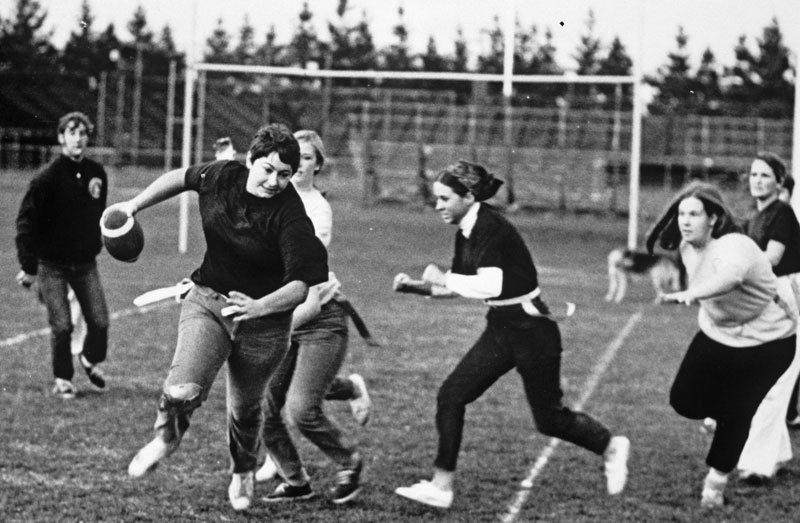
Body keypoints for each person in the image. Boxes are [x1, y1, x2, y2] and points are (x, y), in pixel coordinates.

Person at [105, 123, 328, 512]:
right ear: (249, 161)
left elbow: (300, 287)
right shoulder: (222, 176)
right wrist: (134, 205)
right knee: (180, 391)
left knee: (245, 410)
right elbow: (181, 177)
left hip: (266, 322)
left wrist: (259, 307)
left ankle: (242, 470)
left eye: (285, 175)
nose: (275, 181)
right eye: (267, 169)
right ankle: (167, 438)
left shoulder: (292, 216)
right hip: (209, 300)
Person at [392, 160, 630, 509]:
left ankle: (611, 446)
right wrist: (418, 288)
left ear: (469, 196)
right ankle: (441, 486)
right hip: (501, 328)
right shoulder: (467, 231)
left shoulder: (491, 227)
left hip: (533, 332)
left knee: (549, 420)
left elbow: (491, 283)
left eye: (444, 198)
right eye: (437, 199)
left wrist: (442, 277)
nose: (438, 206)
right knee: (451, 396)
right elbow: (464, 286)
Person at [646, 181, 797, 508]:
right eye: (681, 213)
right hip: (720, 332)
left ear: (713, 218)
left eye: (695, 214)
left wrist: (691, 293)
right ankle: (729, 413)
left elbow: (731, 276)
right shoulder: (687, 248)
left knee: (738, 413)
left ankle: (714, 485)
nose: (685, 221)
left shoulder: (734, 245)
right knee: (682, 400)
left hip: (768, 340)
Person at [256, 130, 370, 504]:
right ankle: (295, 480)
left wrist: (270, 325)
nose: (299, 165)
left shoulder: (317, 209)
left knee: (301, 410)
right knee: (261, 407)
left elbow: (304, 279)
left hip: (318, 315)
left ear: (317, 165)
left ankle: (348, 461)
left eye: (307, 158)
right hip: (281, 310)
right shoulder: (272, 192)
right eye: (294, 158)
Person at [15, 111, 110, 399]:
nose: (78, 138)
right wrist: (29, 266)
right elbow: (25, 222)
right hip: (51, 265)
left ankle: (89, 359)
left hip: (84, 263)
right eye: (72, 133)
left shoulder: (97, 173)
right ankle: (63, 379)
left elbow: (98, 215)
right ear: (61, 138)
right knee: (62, 325)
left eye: (82, 133)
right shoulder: (47, 178)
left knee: (100, 321)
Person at [735, 153, 800, 483]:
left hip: (788, 296)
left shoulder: (782, 213)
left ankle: (758, 464)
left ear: (778, 181)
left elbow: (770, 259)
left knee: (774, 382)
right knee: (769, 378)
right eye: (753, 174)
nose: (757, 180)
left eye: (764, 175)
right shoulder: (755, 215)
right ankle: (779, 453)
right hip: (768, 294)